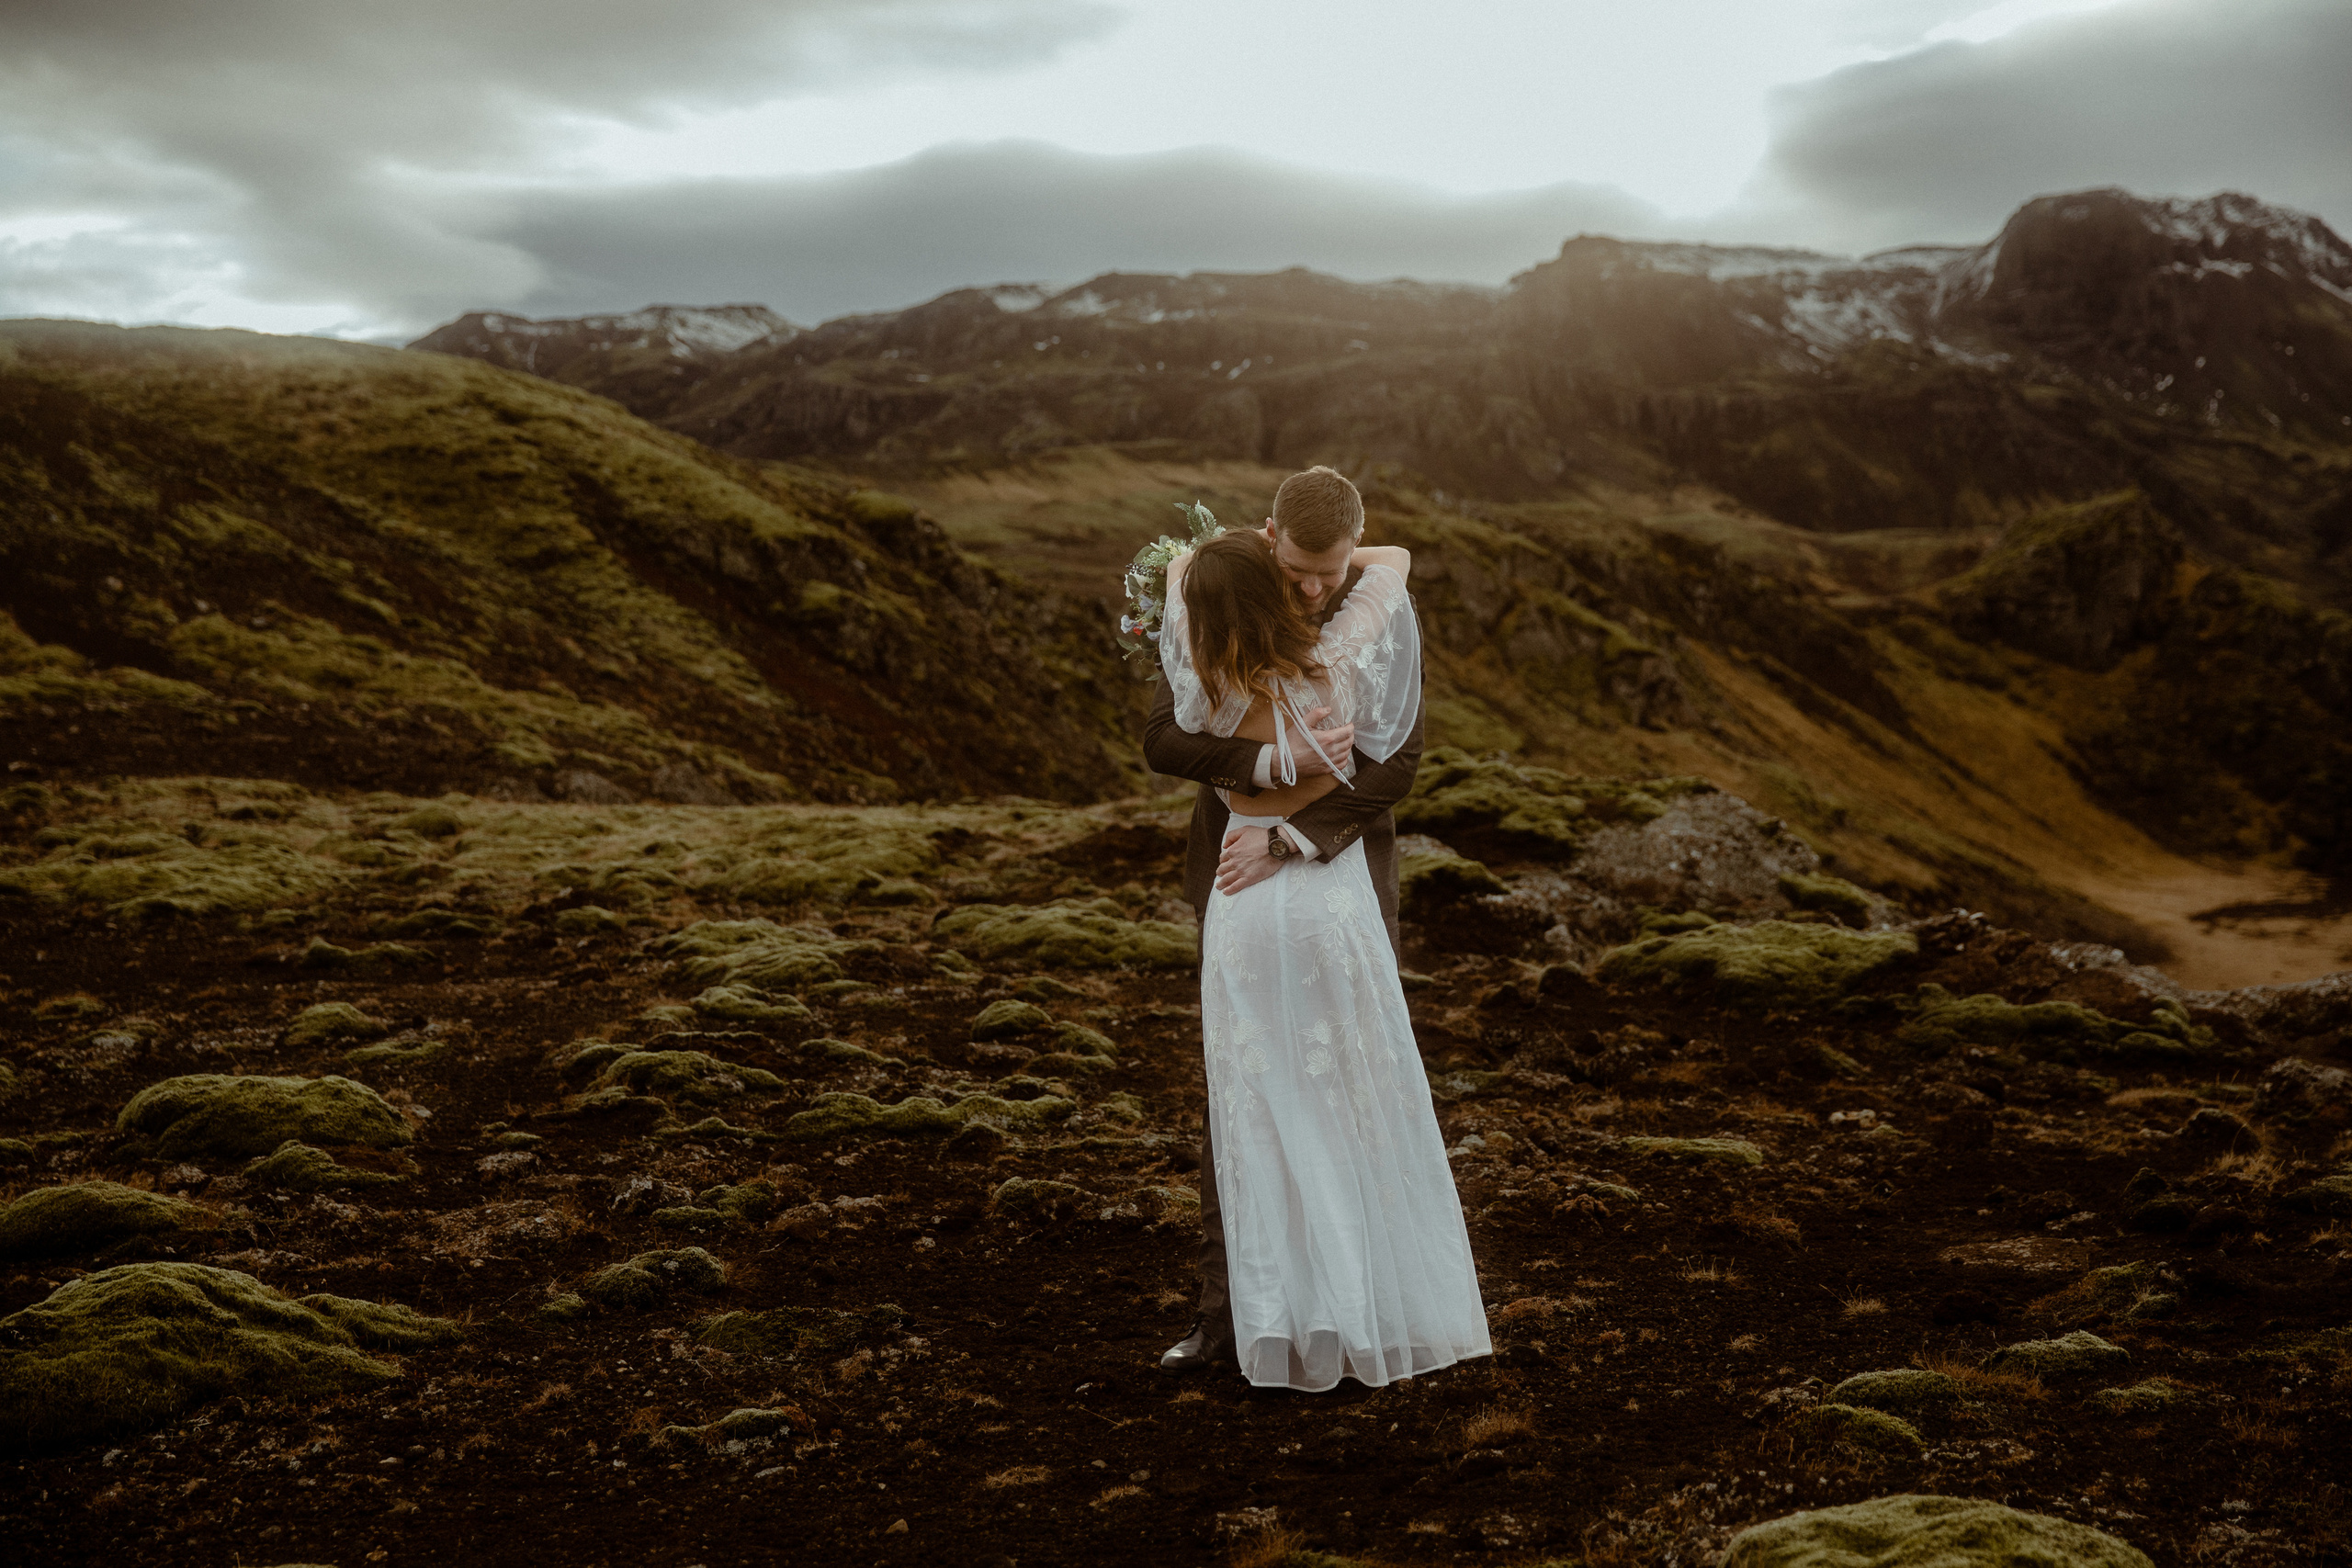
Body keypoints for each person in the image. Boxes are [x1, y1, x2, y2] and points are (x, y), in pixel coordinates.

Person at [1141, 472, 1489, 1390]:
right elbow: (1164, 741)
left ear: (1352, 554)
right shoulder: (1230, 596)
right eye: (1295, 570)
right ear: (1266, 542)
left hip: (1335, 868)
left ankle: (1368, 1301)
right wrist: (1268, 759)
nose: (1310, 591)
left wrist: (1295, 833)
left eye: (1327, 574)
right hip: (1232, 871)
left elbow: (1400, 761)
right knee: (1244, 1086)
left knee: (1346, 1078)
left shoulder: (1370, 611)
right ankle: (1232, 1316)